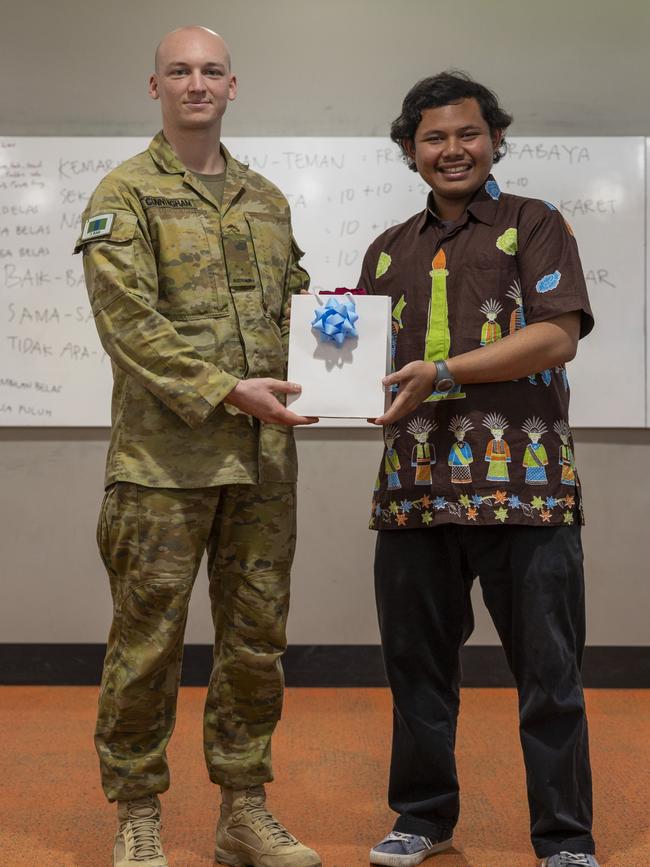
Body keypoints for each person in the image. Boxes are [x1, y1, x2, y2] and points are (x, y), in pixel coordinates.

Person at [75, 25, 321, 867]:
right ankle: (137, 815)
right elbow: (129, 328)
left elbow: (294, 324)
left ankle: (242, 811)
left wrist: (347, 368)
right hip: (161, 470)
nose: (195, 83)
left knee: (257, 642)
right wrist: (224, 390)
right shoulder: (127, 194)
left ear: (232, 85)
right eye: (178, 71)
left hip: (262, 466)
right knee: (147, 646)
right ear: (156, 88)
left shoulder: (267, 200)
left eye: (211, 71)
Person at [358, 72, 598, 867]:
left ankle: (564, 840)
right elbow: (359, 356)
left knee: (550, 678)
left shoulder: (536, 224)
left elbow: (557, 335)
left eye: (468, 134)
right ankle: (423, 819)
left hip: (525, 494)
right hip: (414, 495)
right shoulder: (387, 248)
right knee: (417, 673)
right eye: (434, 137)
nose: (452, 149)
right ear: (409, 151)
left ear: (494, 140)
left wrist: (445, 372)